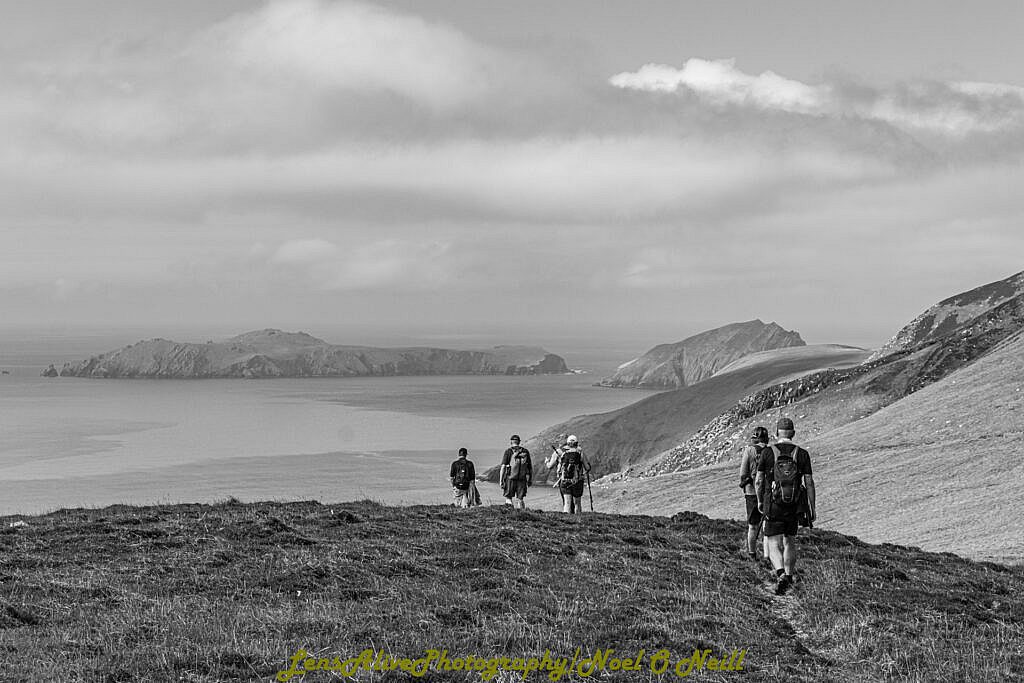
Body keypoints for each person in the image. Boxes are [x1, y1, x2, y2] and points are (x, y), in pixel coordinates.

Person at [756, 417, 816, 595]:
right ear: (794, 434)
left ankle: (781, 573)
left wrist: (760, 500)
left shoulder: (768, 452)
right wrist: (812, 508)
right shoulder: (802, 454)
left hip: (773, 504)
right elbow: (809, 482)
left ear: (776, 433)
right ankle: (789, 576)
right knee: (790, 540)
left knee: (773, 541)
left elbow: (759, 480)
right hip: (794, 506)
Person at [739, 426, 769, 559]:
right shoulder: (770, 450)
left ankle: (752, 554)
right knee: (766, 525)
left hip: (751, 492)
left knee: (752, 525)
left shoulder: (749, 451)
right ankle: (768, 554)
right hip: (768, 492)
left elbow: (743, 473)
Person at [555, 435, 590, 514]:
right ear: (576, 443)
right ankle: (578, 521)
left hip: (565, 481)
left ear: (567, 443)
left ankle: (566, 522)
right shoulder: (580, 452)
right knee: (577, 503)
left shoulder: (563, 453)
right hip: (577, 481)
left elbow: (559, 467)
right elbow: (587, 467)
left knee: (567, 503)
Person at [499, 434, 532, 509]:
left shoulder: (508, 451)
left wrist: (501, 480)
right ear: (519, 442)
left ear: (511, 442)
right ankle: (523, 515)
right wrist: (530, 479)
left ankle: (511, 515)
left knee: (508, 497)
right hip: (522, 479)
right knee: (520, 499)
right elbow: (530, 468)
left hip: (510, 478)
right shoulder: (525, 451)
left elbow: (503, 467)